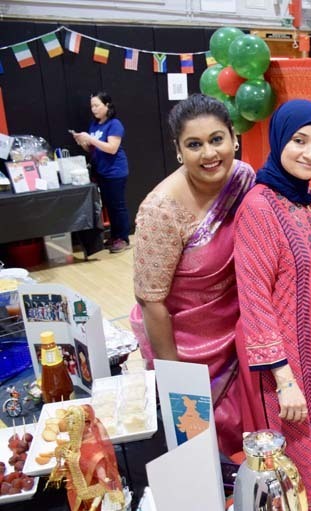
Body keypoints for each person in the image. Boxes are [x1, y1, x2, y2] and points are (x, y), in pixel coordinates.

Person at [129, 94, 255, 457]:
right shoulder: (161, 210)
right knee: (196, 451)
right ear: (178, 150)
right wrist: (176, 380)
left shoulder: (244, 179)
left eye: (216, 139)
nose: (209, 154)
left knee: (247, 441)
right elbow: (151, 301)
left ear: (234, 138)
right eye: (194, 144)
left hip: (239, 338)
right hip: (184, 347)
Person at [234, 99, 311, 511]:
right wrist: (284, 380)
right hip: (285, 370)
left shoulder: (306, 201)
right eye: (299, 141)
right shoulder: (259, 206)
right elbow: (254, 298)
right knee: (290, 477)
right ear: (279, 140)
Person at [72, 92, 131, 253]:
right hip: (101, 171)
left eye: (97, 105)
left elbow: (112, 148)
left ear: (107, 105)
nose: (94, 109)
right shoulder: (94, 125)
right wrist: (83, 142)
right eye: (92, 106)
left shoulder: (114, 124)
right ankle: (114, 236)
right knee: (109, 206)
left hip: (115, 171)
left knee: (117, 206)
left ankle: (123, 238)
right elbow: (93, 149)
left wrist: (90, 139)